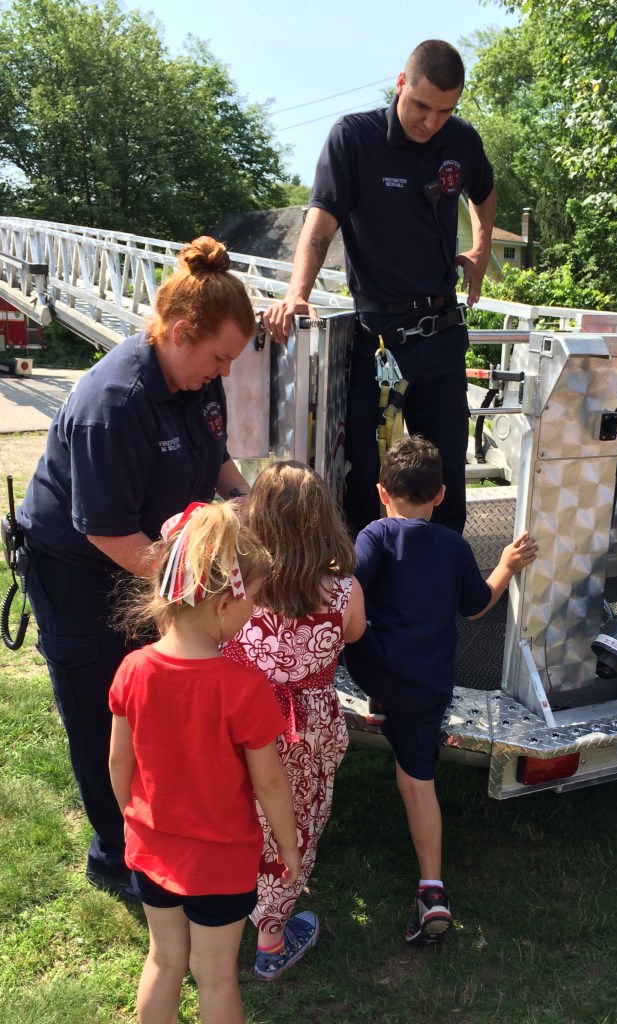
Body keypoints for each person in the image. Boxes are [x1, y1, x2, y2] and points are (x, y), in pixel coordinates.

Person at [17, 236, 256, 897]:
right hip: (80, 571)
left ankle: (156, 832)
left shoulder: (195, 378)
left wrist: (245, 502)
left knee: (156, 708)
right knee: (105, 713)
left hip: (148, 558)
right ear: (180, 333)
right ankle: (115, 856)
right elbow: (109, 533)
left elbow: (216, 458)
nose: (225, 373)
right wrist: (199, 588)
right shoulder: (114, 402)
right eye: (219, 358)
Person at [263, 39, 496, 537]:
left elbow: (484, 189)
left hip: (441, 333)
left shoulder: (461, 141)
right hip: (380, 341)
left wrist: (479, 249)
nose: (430, 122)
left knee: (446, 479)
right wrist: (296, 292)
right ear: (400, 84)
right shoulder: (354, 138)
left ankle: (442, 600)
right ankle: (365, 599)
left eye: (444, 111)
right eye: (421, 106)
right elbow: (321, 224)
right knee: (369, 478)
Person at [109, 500, 300, 1024]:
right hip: (222, 862)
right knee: (213, 977)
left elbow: (117, 763)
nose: (256, 611)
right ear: (222, 605)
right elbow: (270, 784)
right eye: (255, 599)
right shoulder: (244, 688)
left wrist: (134, 819)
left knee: (163, 959)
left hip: (151, 850)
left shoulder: (131, 670)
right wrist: (289, 846)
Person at [344, 435, 538, 946]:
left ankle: (381, 709)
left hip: (375, 672)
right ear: (443, 495)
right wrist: (508, 566)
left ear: (382, 492)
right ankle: (432, 889)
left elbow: (348, 589)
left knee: (379, 687)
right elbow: (476, 606)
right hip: (429, 684)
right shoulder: (454, 545)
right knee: (417, 782)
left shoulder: (374, 535)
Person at [221, 461, 366, 980]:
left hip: (239, 722)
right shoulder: (343, 588)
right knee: (293, 826)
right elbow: (353, 635)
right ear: (324, 519)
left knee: (237, 816)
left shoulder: (235, 586)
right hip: (305, 728)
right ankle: (272, 940)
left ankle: (220, 909)